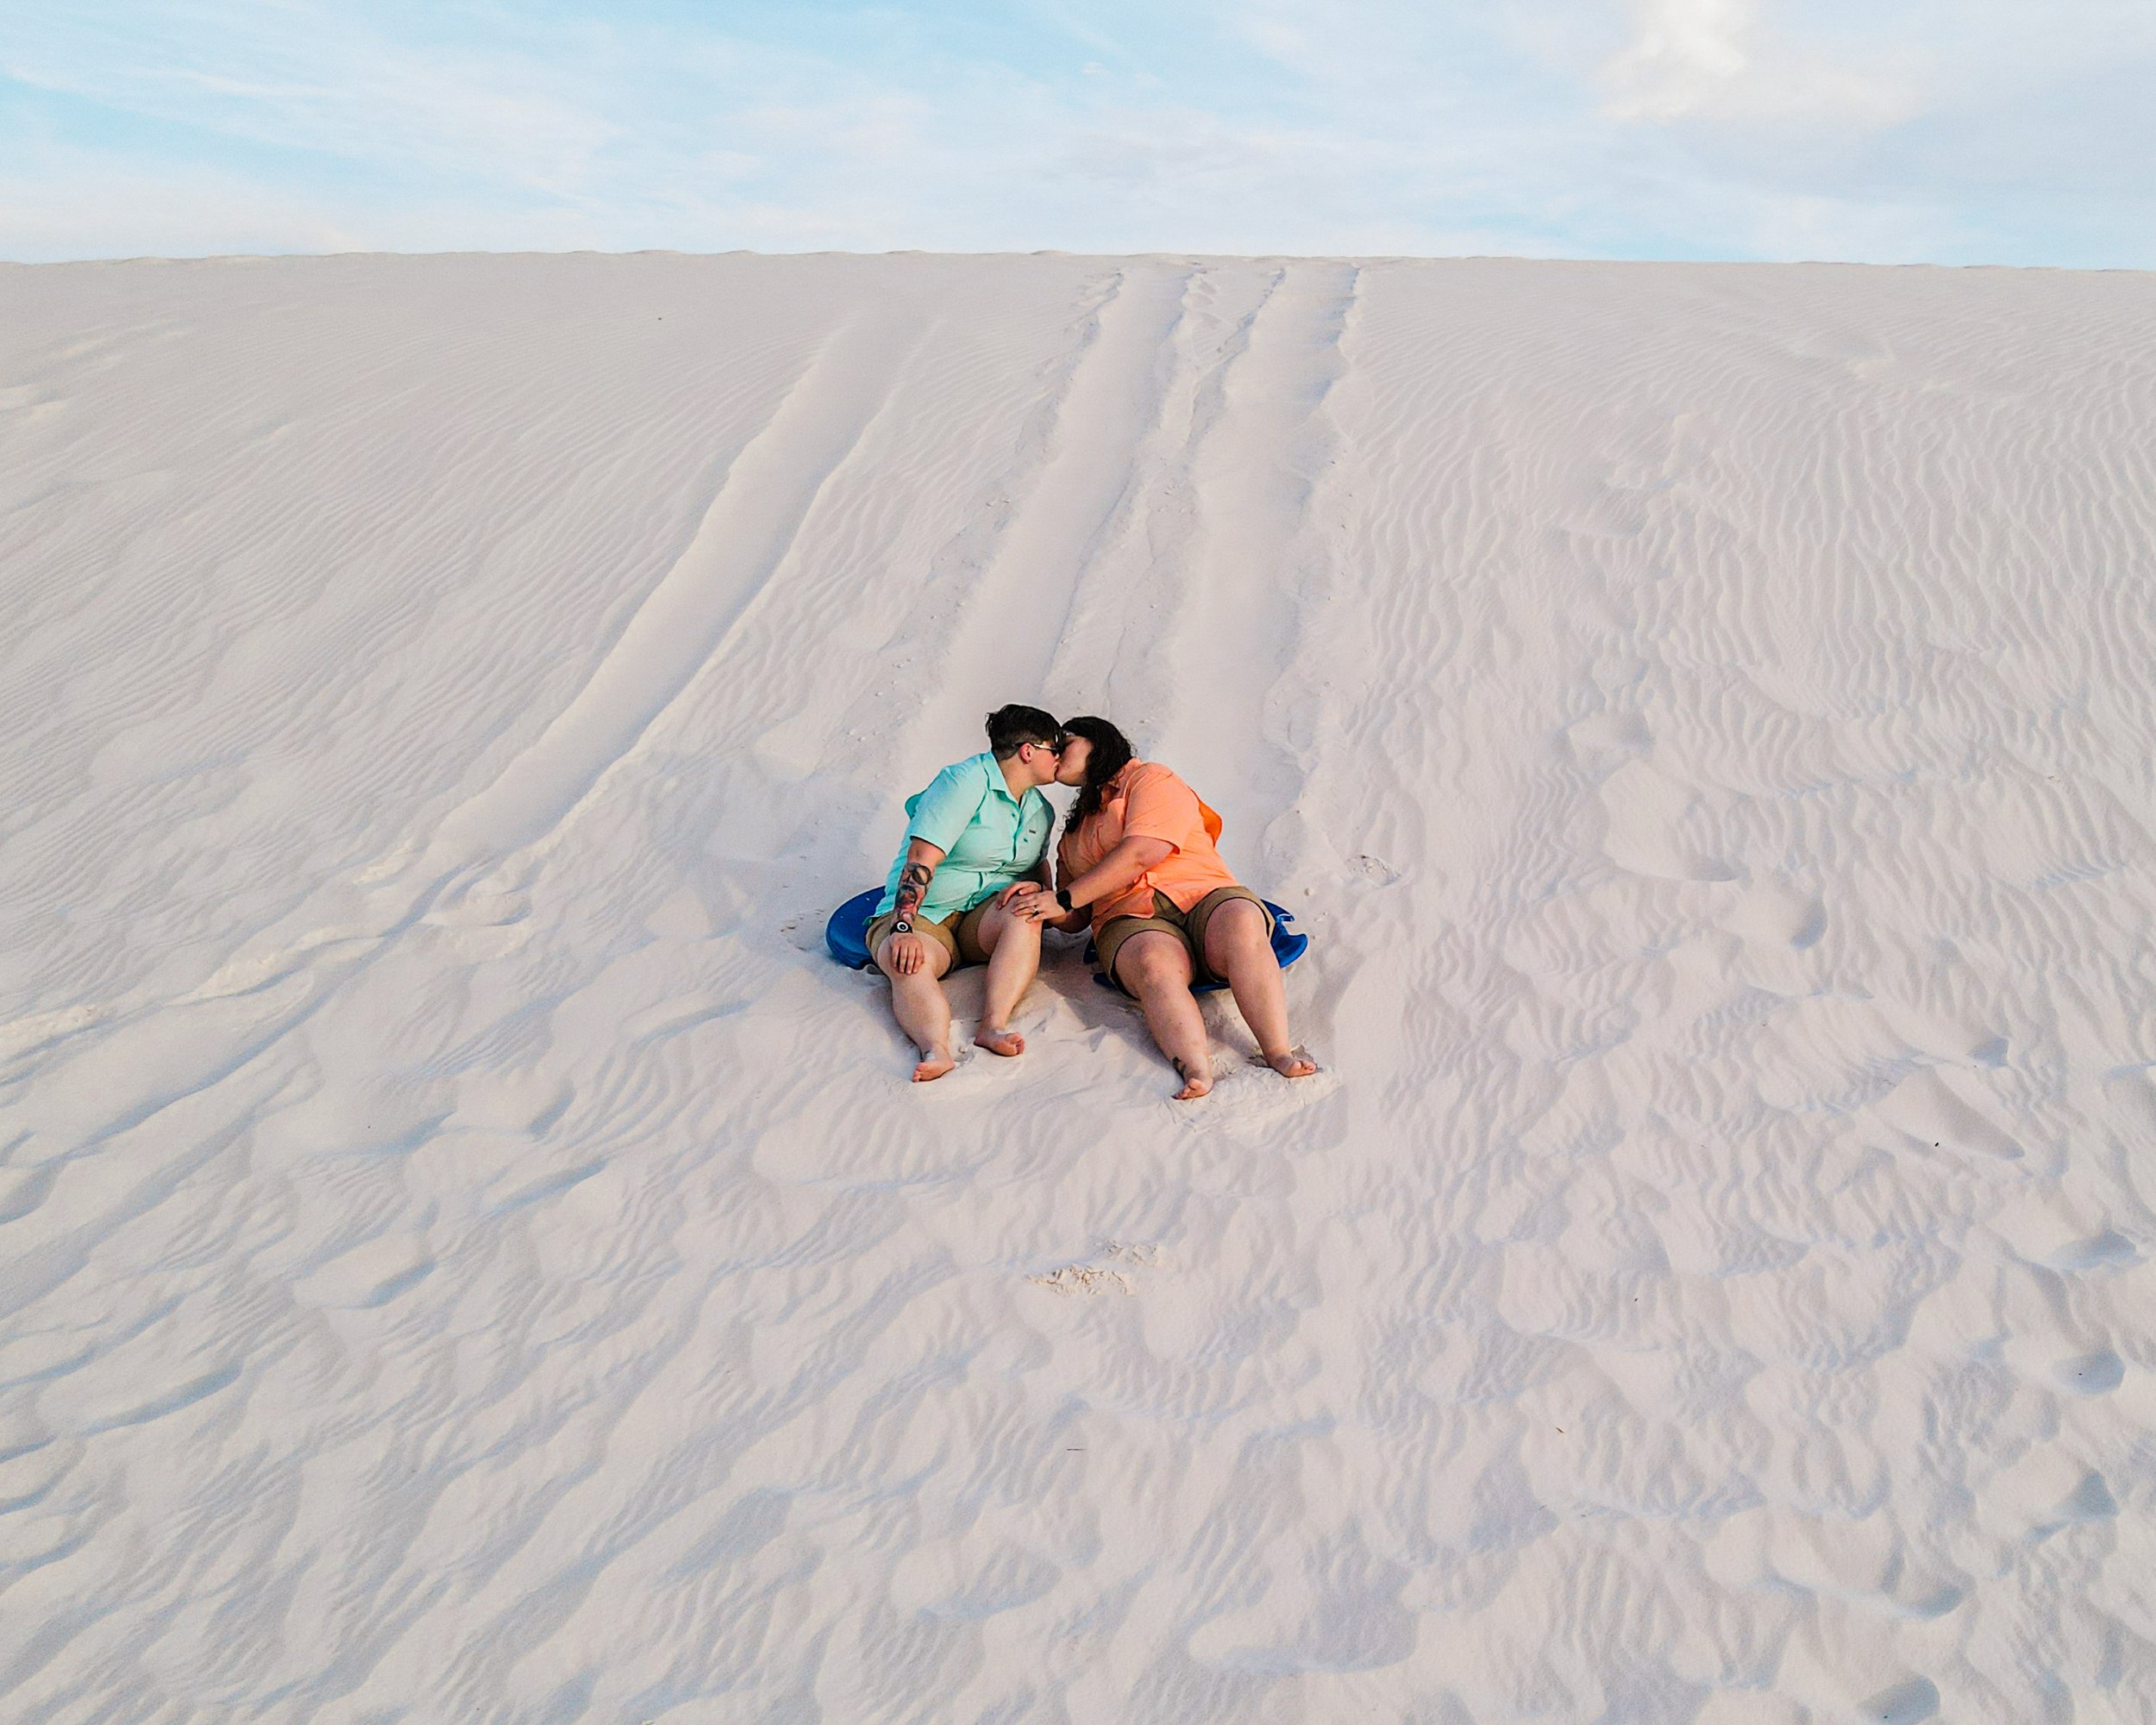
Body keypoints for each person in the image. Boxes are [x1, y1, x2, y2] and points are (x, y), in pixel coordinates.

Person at [1012, 716, 1317, 1100]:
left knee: (1241, 921)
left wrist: (1064, 898)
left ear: (1097, 741)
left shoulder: (1150, 779)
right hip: (1129, 919)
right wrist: (1045, 903)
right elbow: (1077, 918)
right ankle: (1196, 1068)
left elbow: (1144, 851)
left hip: (1201, 892)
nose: (1056, 755)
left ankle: (1277, 1051)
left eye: (1065, 743)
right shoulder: (1072, 835)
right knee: (1154, 964)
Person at [867, 706, 1065, 1082]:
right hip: (928, 911)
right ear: (1028, 751)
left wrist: (1041, 889)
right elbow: (921, 859)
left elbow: (1039, 868)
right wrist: (903, 926)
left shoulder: (1040, 811)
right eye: (1053, 749)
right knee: (907, 961)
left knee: (1025, 913)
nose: (1060, 759)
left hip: (981, 917)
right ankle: (935, 1048)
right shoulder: (963, 782)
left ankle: (993, 1025)